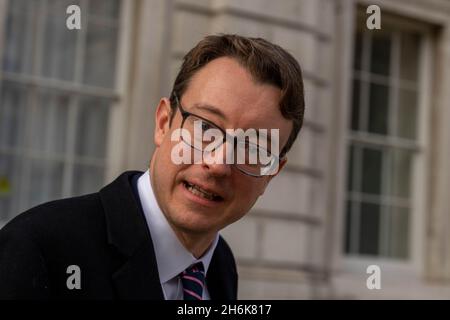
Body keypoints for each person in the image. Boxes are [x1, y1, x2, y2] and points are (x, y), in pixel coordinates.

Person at [0, 34, 305, 299]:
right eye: (204, 128)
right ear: (163, 123)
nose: (218, 163)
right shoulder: (37, 249)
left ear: (270, 174)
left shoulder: (220, 264)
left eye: (252, 148)